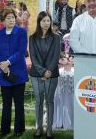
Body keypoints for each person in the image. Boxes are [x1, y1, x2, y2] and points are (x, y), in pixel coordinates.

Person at [0, 8, 28, 137]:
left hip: (18, 72)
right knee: (6, 103)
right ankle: (4, 129)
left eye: (12, 17)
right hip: (4, 72)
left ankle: (19, 129)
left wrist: (8, 62)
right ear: (3, 20)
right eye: (8, 18)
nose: (11, 20)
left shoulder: (22, 32)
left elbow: (21, 51)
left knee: (19, 103)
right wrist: (3, 65)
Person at [29, 11, 61, 139]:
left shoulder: (56, 37)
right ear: (39, 22)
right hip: (36, 74)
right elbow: (33, 57)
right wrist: (43, 72)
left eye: (48, 21)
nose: (46, 23)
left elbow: (56, 56)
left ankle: (49, 130)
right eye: (44, 21)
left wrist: (48, 71)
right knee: (38, 102)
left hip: (52, 74)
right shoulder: (32, 38)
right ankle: (39, 128)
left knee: (49, 101)